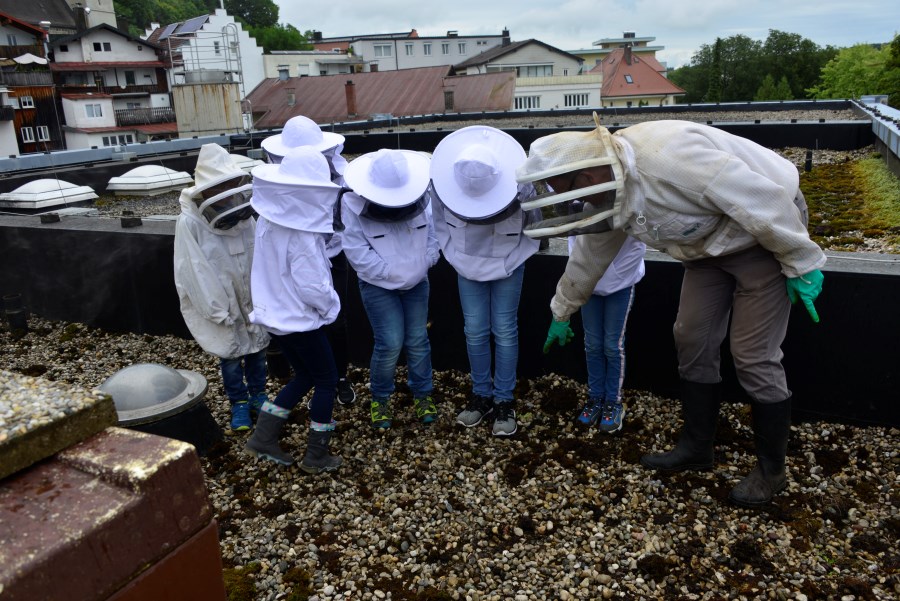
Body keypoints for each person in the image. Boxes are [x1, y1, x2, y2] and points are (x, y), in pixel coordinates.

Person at [516, 116, 825, 507]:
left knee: (752, 354)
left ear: (591, 166)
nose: (580, 199)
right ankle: (697, 447)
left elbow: (757, 197)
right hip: (705, 250)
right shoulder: (609, 188)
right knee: (691, 336)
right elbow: (593, 253)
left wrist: (799, 259)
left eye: (575, 186)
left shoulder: (668, 158)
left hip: (763, 236)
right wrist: (563, 307)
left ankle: (771, 470)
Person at [430, 125, 540, 437]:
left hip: (509, 264)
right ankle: (481, 394)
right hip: (465, 266)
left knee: (504, 331)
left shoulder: (523, 187)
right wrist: (454, 256)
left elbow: (534, 226)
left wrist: (515, 258)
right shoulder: (440, 185)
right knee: (475, 331)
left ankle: (504, 400)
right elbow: (438, 222)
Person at [244, 146, 344, 472]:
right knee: (327, 380)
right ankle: (316, 455)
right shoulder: (301, 232)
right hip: (300, 320)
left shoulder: (267, 219)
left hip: (274, 316)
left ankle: (263, 437)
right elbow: (312, 286)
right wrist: (331, 309)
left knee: (304, 375)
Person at [174, 143, 270, 432]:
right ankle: (238, 403)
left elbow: (259, 254)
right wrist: (216, 309)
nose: (226, 190)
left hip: (250, 295)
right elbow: (193, 269)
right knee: (230, 354)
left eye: (230, 184)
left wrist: (263, 296)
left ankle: (259, 396)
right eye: (221, 185)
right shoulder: (189, 221)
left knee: (257, 348)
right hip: (222, 299)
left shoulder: (242, 215)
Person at [341, 148, 440, 429]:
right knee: (390, 343)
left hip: (418, 283)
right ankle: (380, 398)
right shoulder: (352, 205)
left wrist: (425, 261)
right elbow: (356, 250)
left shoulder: (423, 197)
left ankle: (423, 394)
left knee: (418, 341)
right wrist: (389, 273)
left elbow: (434, 233)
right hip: (378, 287)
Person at [261, 115, 356, 405]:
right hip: (303, 262)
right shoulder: (281, 191)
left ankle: (337, 376)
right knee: (315, 326)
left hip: (331, 255)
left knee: (336, 324)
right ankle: (322, 376)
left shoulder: (339, 173)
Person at [568, 234, 645, 433]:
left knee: (613, 345)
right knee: (592, 343)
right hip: (588, 285)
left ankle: (613, 401)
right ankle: (595, 398)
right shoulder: (577, 206)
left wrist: (619, 276)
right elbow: (575, 245)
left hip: (621, 286)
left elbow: (639, 240)